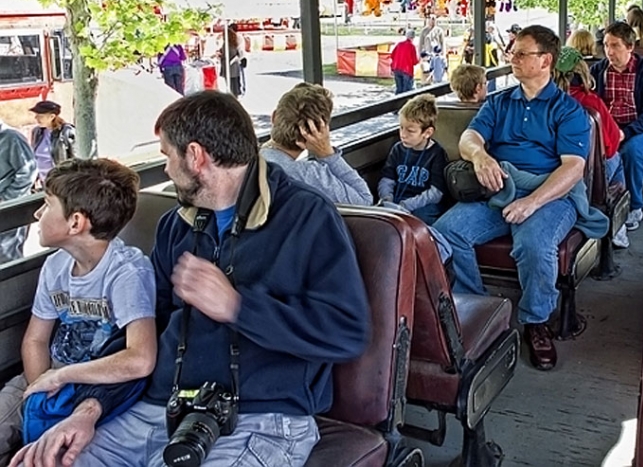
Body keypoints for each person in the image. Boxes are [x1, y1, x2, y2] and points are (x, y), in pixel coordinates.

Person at [12, 92, 371, 467]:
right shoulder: (176, 226)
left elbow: (347, 332)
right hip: (158, 409)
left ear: (196, 156)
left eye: (167, 155)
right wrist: (90, 408)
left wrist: (237, 306)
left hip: (261, 417)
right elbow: (144, 336)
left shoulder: (306, 218)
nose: (165, 169)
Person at [432, 25, 592, 371]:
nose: (512, 59)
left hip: (550, 195)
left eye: (522, 53)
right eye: (513, 52)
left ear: (545, 60)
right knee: (445, 232)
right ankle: (479, 311)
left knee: (533, 243)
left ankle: (536, 321)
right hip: (498, 189)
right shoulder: (499, 103)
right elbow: (470, 138)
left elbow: (573, 169)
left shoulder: (567, 111)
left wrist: (532, 202)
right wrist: (480, 157)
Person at [0, 159, 155, 465]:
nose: (37, 214)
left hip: (100, 384)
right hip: (47, 373)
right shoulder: (55, 266)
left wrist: (62, 379)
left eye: (46, 205)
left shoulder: (127, 273)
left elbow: (140, 357)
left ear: (75, 222)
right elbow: (36, 340)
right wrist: (40, 388)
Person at [590, 21, 643, 233]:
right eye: (606, 45)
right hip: (607, 127)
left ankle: (635, 206)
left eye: (615, 46)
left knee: (631, 150)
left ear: (630, 47)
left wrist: (625, 132)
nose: (609, 51)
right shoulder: (598, 71)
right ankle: (598, 204)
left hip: (639, 128)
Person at [554, 47, 626, 247]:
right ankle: (618, 226)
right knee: (617, 159)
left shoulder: (544, 102)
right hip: (586, 177)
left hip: (553, 171)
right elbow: (609, 146)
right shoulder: (591, 103)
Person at [260, 83, 372, 206]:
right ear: (318, 133)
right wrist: (328, 153)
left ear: (274, 117)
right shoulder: (307, 174)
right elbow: (364, 199)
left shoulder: (251, 157)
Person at [378, 94, 448, 225]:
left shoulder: (437, 154)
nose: (403, 134)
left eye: (410, 131)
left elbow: (436, 193)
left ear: (427, 133)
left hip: (423, 204)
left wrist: (407, 205)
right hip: (398, 199)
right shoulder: (398, 149)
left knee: (419, 218)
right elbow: (387, 179)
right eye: (401, 128)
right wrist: (387, 198)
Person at [0, 118, 36, 264]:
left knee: (7, 257)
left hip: (9, 210)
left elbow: (27, 173)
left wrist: (6, 199)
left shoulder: (11, 137)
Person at [28, 101, 76, 187]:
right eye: (36, 115)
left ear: (52, 116)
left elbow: (75, 159)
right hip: (44, 181)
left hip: (61, 182)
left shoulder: (67, 132)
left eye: (40, 116)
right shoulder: (36, 132)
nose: (36, 118)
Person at [391, 28, 420, 94]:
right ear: (413, 37)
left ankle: (396, 103)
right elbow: (414, 61)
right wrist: (420, 59)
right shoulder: (412, 46)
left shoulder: (399, 44)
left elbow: (392, 55)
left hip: (396, 69)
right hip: (407, 70)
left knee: (399, 89)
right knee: (406, 91)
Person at [218, 25, 244, 98]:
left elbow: (225, 55)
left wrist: (220, 55)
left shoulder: (226, 44)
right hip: (234, 68)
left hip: (228, 68)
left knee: (230, 87)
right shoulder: (234, 43)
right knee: (235, 86)